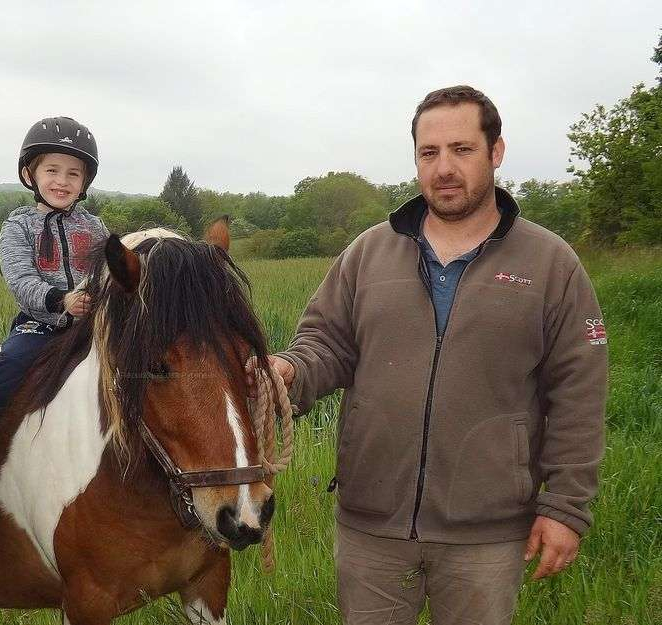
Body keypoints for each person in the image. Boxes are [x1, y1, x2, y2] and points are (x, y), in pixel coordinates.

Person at [252, 86, 608, 624]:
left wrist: (564, 507)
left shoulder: (550, 263)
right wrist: (287, 372)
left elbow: (578, 391)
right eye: (429, 152)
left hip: (487, 532)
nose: (444, 167)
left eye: (462, 149)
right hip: (371, 523)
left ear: (496, 152)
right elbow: (325, 344)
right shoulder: (369, 252)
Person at [0, 116, 108, 473]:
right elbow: (20, 278)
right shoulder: (18, 226)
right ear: (30, 175)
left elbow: (108, 272)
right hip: (41, 323)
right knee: (10, 361)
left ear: (84, 183)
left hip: (90, 322)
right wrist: (61, 300)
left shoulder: (94, 227)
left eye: (73, 174)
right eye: (52, 170)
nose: (62, 181)